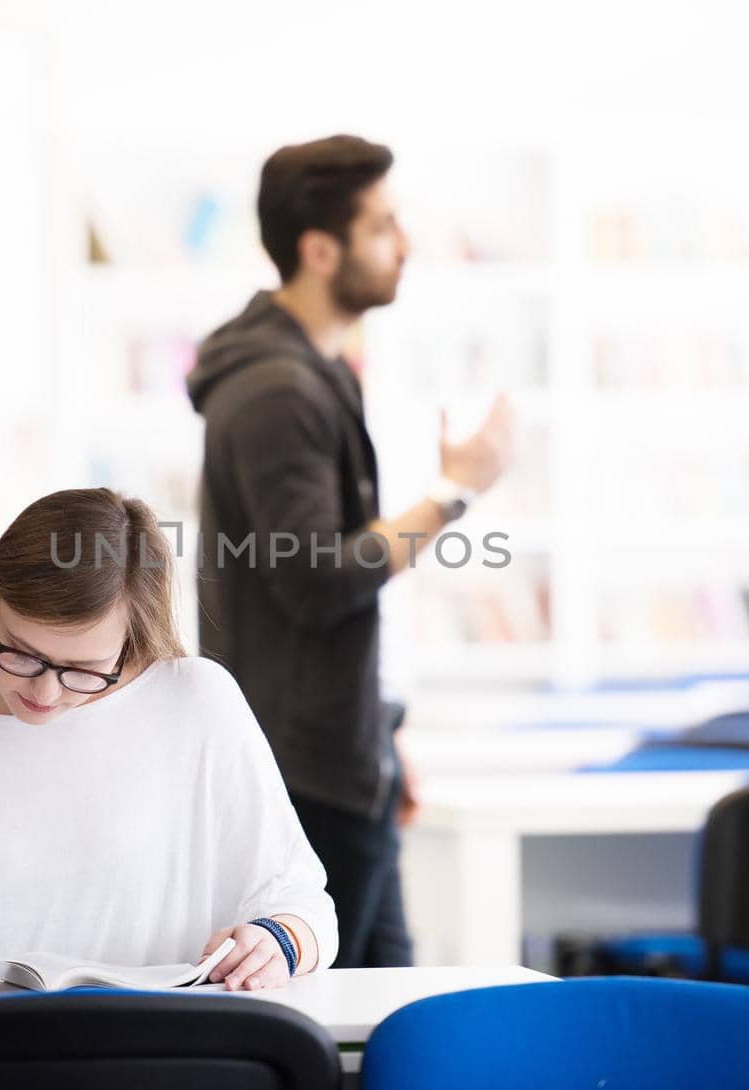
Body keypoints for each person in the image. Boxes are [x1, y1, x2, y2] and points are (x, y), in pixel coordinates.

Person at [0, 488, 338, 992]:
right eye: (21, 653)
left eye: (84, 668)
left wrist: (280, 942)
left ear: (134, 636)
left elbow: (308, 909)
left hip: (156, 1057)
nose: (46, 692)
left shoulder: (198, 705)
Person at [186, 135, 514, 968]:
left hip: (339, 758)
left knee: (385, 1024)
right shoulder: (276, 388)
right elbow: (319, 576)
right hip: (308, 779)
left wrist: (379, 729)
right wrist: (455, 491)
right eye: (384, 226)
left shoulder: (309, 370)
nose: (404, 246)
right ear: (320, 249)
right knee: (341, 1034)